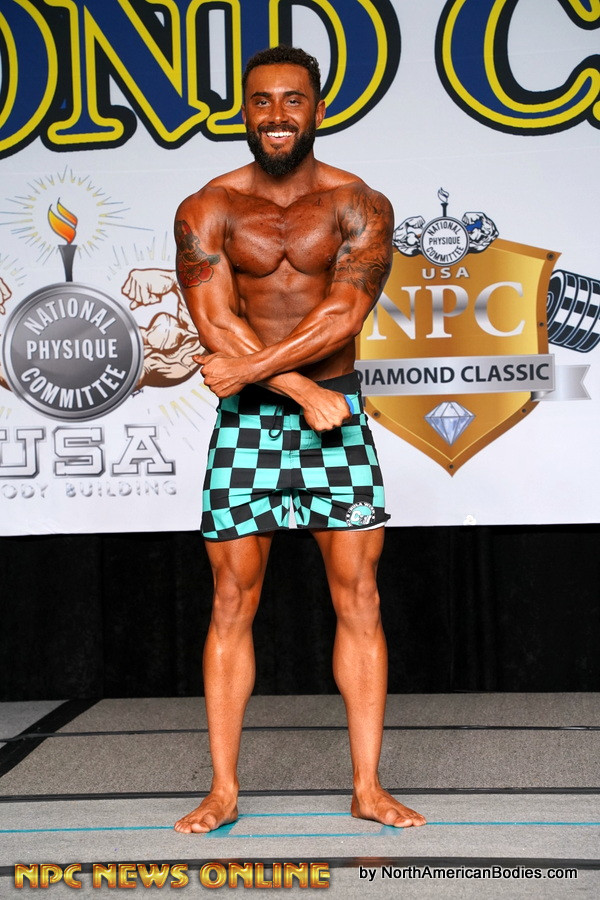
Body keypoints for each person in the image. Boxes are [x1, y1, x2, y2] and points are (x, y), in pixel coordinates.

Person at [173, 45, 426, 834]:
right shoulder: (207, 208)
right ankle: (223, 790)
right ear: (243, 112)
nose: (276, 114)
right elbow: (216, 321)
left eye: (292, 99)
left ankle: (367, 787)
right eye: (261, 101)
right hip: (254, 423)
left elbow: (343, 314)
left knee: (360, 598)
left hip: (336, 420)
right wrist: (299, 388)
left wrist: (280, 377)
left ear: (318, 109)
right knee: (230, 600)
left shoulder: (360, 205)